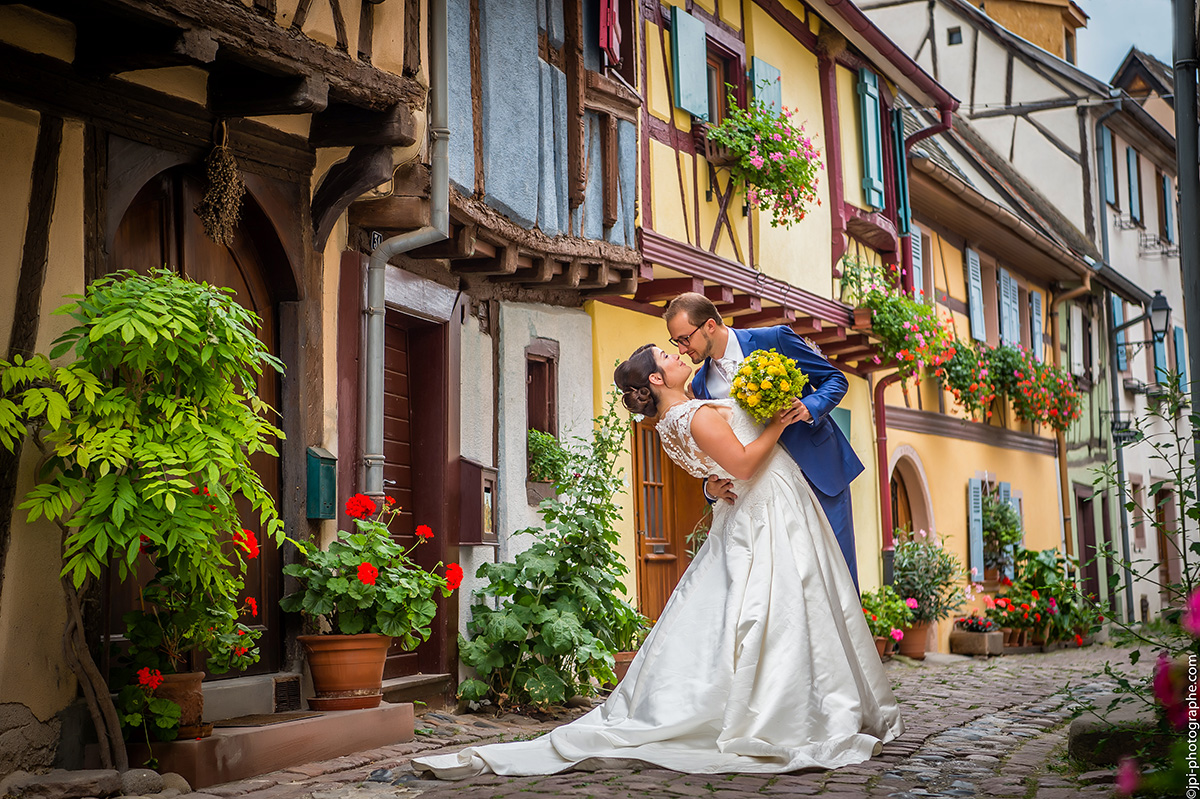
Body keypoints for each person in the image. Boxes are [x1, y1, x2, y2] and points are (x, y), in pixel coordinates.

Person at [412, 345, 902, 780]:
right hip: (766, 510)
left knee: (750, 609)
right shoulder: (693, 416)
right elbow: (745, 464)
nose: (676, 354)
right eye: (666, 357)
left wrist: (712, 485)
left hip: (749, 510)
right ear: (655, 379)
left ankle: (780, 697)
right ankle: (787, 709)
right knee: (780, 606)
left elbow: (713, 474)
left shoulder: (673, 422)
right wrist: (778, 420)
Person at [664, 292, 865, 593]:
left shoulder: (774, 338)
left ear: (708, 326)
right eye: (675, 343)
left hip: (818, 473)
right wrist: (709, 487)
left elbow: (835, 380)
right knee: (791, 587)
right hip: (767, 490)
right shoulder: (699, 384)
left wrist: (809, 407)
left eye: (684, 338)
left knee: (839, 579)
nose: (682, 349)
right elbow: (719, 447)